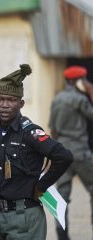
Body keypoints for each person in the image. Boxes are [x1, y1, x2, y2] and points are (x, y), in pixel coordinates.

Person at [0, 64, 73, 240]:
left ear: (21, 103)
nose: (4, 105)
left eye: (11, 100)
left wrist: (41, 187)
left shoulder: (30, 132)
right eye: (0, 99)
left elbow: (63, 157)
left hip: (24, 216)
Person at [49, 66, 93, 240]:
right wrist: (90, 91)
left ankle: (62, 234)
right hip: (80, 153)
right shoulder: (80, 99)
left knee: (62, 195)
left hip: (62, 153)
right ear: (79, 81)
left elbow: (53, 129)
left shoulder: (57, 99)